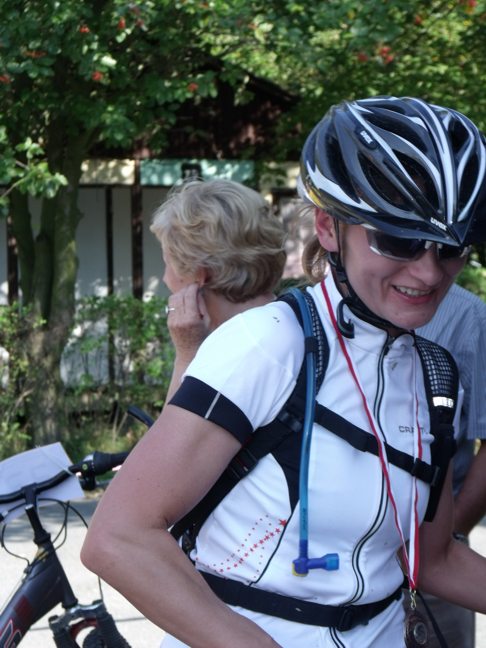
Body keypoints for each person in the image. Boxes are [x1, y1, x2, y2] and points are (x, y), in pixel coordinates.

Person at [81, 96, 486, 648]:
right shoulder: (268, 343)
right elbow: (120, 537)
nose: (429, 272)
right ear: (327, 227)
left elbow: (432, 559)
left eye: (451, 249)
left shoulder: (434, 375)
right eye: (397, 239)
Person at [149, 178, 287, 402]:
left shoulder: (234, 352)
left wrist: (186, 357)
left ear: (199, 272)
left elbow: (175, 426)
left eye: (168, 262)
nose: (165, 278)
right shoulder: (287, 321)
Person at [410, 283, 486, 647]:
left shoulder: (469, 315)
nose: (427, 269)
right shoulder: (298, 319)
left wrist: (447, 537)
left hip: (436, 556)